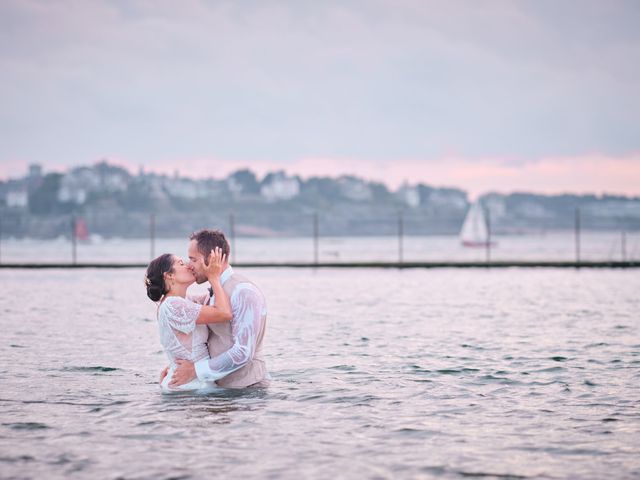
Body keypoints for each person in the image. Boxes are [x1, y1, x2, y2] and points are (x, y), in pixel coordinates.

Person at [160, 229, 269, 389]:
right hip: (219, 393)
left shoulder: (243, 292)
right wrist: (175, 367)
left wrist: (195, 371)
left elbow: (243, 352)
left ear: (211, 259)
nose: (189, 266)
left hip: (247, 393)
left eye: (193, 260)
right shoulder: (213, 291)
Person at [145, 247, 232, 393]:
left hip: (193, 384)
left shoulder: (184, 301)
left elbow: (213, 300)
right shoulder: (173, 305)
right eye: (181, 264)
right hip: (190, 388)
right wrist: (214, 278)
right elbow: (224, 313)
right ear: (169, 276)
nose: (189, 265)